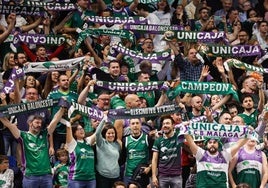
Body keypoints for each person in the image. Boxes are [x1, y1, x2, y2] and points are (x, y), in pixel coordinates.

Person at [0, 106, 65, 188]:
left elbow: (55, 121)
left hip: (46, 176)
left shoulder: (44, 134)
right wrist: (1, 112)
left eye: (40, 123)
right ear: (30, 123)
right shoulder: (23, 136)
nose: (39, 125)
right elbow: (9, 124)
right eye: (37, 122)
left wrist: (62, 109)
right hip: (30, 177)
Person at [184, 133, 249, 188]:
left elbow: (238, 144)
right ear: (206, 144)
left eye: (214, 142)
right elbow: (191, 142)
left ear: (218, 144)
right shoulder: (200, 154)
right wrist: (185, 130)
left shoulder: (225, 155)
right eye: (210, 142)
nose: (212, 144)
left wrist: (248, 133)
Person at [65, 117, 100, 187]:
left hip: (91, 179)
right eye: (79, 129)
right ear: (74, 133)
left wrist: (104, 119)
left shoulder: (88, 141)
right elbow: (68, 129)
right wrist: (68, 123)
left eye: (82, 128)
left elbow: (98, 132)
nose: (81, 130)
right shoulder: (72, 144)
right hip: (76, 179)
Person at [152, 115, 183, 188]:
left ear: (173, 125)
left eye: (167, 123)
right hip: (162, 176)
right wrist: (153, 175)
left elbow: (185, 127)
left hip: (177, 175)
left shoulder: (178, 136)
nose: (165, 125)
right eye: (164, 124)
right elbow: (154, 159)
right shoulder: (158, 140)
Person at [122, 118, 152, 187]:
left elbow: (153, 157)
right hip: (129, 174)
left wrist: (149, 167)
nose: (135, 125)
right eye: (133, 123)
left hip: (143, 174)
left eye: (137, 123)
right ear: (129, 126)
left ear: (141, 125)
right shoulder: (125, 140)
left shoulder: (147, 138)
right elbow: (122, 159)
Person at [95, 118, 122, 188]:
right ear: (104, 134)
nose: (111, 135)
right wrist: (103, 119)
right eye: (108, 133)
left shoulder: (117, 145)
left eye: (113, 133)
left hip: (116, 176)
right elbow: (97, 133)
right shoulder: (101, 143)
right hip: (103, 176)